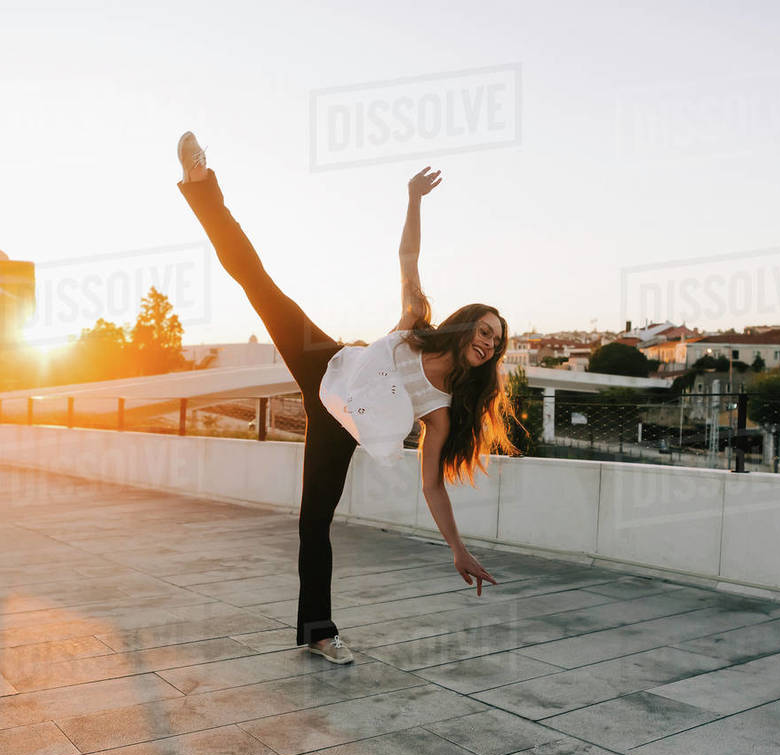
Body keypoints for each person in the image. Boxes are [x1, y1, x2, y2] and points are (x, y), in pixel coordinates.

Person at [176, 133, 526, 665]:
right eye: (484, 329)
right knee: (258, 282)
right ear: (465, 325)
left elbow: (431, 485)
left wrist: (457, 547)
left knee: (313, 525)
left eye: (496, 341)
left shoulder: (441, 408)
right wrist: (412, 199)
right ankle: (203, 186)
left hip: (337, 426)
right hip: (330, 362)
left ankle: (319, 632)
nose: (487, 342)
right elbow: (408, 253)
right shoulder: (418, 322)